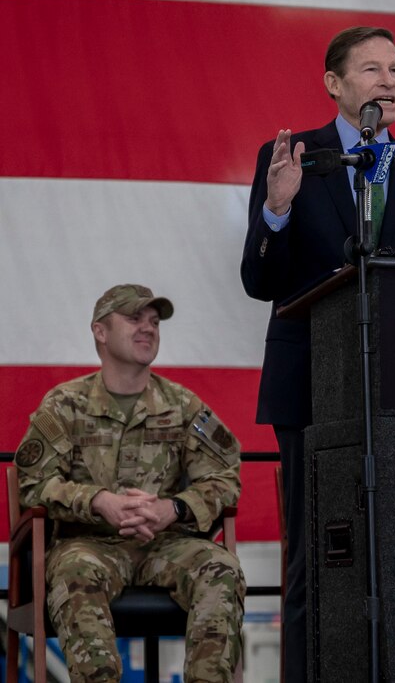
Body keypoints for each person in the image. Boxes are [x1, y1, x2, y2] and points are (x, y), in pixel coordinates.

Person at [240, 25, 395, 680]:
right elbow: (260, 282)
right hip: (310, 386)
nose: (388, 81)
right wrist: (276, 211)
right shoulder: (292, 158)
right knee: (317, 556)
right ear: (335, 85)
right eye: (371, 69)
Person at [14, 284, 245, 682]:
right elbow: (32, 484)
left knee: (221, 567)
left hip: (166, 544)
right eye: (134, 318)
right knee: (75, 574)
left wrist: (172, 508)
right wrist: (97, 500)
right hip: (87, 544)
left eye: (154, 322)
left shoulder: (183, 405)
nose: (148, 328)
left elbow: (225, 476)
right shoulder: (64, 404)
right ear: (100, 332)